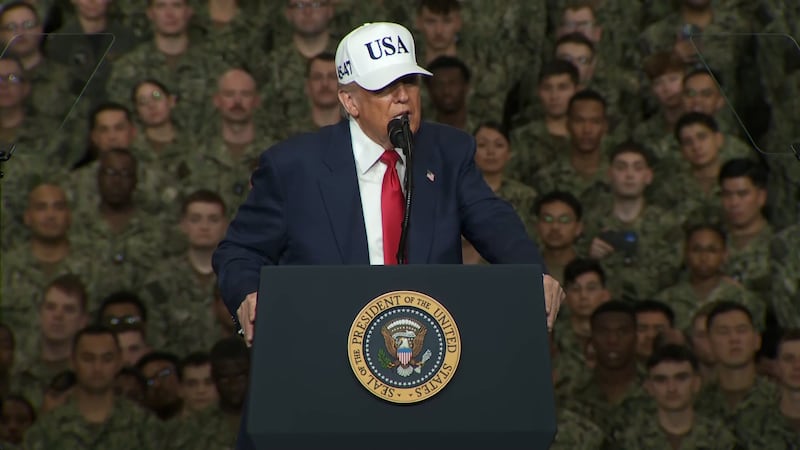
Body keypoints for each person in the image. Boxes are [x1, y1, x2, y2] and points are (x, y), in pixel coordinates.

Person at [212, 22, 564, 449]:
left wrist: (533, 276)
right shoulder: (294, 168)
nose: (403, 97)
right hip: (321, 381)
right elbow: (239, 251)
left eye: (410, 82)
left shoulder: (448, 153)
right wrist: (248, 294)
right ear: (349, 100)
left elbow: (495, 223)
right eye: (384, 87)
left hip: (427, 378)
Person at [618, 344, 739, 449]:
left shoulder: (721, 439)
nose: (671, 388)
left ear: (696, 383)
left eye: (681, 378)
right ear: (649, 387)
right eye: (661, 380)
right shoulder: (630, 441)